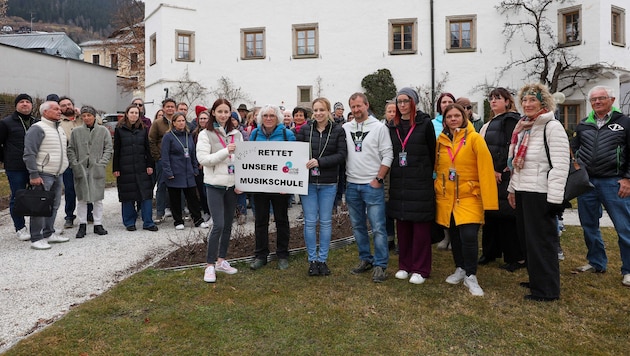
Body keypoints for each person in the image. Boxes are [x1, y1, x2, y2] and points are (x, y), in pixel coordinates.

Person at [507, 83, 569, 302]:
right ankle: (537, 280)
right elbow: (516, 164)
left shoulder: (552, 126)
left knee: (541, 242)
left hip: (541, 193)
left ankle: (547, 289)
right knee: (527, 241)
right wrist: (512, 189)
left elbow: (561, 165)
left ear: (543, 102)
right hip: (524, 190)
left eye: (532, 100)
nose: (527, 104)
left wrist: (554, 199)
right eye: (524, 100)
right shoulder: (524, 127)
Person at [435, 103, 497, 296]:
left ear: (464, 117)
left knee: (469, 236)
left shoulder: (475, 139)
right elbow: (438, 169)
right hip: (448, 198)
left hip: (470, 195)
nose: (453, 119)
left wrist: (490, 202)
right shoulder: (441, 141)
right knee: (454, 235)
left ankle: (471, 275)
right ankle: (460, 267)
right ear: (444, 120)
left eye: (456, 116)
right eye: (449, 116)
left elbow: (486, 170)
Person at [571, 85, 630, 287]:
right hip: (587, 183)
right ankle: (596, 262)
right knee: (589, 225)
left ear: (611, 100)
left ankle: (628, 269)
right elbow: (574, 148)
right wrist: (577, 166)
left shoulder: (624, 123)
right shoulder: (583, 125)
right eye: (594, 99)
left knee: (624, 227)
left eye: (601, 98)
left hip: (614, 182)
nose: (597, 102)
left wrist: (627, 179)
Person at [387, 88, 436, 285]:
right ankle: (404, 265)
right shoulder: (393, 126)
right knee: (403, 225)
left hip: (420, 181)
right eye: (399, 102)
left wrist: (426, 173)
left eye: (406, 101)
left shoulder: (425, 124)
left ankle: (420, 268)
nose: (402, 105)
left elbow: (433, 152)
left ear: (414, 102)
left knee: (421, 228)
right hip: (400, 182)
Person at [344, 92, 393, 283]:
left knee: (378, 227)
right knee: (357, 226)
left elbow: (388, 154)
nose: (356, 110)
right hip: (352, 184)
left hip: (371, 184)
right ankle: (365, 258)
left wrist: (378, 178)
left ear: (366, 105)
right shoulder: (346, 127)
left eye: (359, 106)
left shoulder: (379, 128)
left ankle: (381, 265)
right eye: (353, 107)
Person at [295, 97, 347, 276]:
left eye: (321, 110)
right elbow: (296, 153)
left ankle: (322, 260)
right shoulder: (305, 130)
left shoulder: (338, 130)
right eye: (315, 110)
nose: (318, 113)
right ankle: (312, 260)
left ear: (328, 111)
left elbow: (341, 155)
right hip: (308, 183)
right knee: (310, 222)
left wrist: (320, 162)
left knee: (325, 222)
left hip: (328, 183)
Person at [196, 99, 244, 283]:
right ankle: (209, 265)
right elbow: (203, 159)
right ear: (213, 113)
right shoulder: (205, 134)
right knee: (218, 224)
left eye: (226, 111)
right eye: (220, 111)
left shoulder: (236, 134)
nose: (224, 115)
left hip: (231, 186)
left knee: (228, 225)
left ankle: (221, 260)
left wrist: (241, 183)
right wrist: (225, 151)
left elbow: (242, 160)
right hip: (214, 184)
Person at [478, 88, 524, 271]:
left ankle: (516, 258)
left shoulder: (510, 119)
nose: (493, 101)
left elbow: (509, 146)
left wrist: (499, 169)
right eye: (491, 98)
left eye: (498, 98)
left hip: (502, 175)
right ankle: (490, 252)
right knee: (490, 215)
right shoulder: (491, 122)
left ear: (507, 101)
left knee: (507, 217)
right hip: (489, 174)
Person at [249, 104, 296, 271]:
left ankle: (282, 254)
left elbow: (293, 159)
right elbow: (249, 158)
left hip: (280, 186)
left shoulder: (286, 134)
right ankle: (261, 255)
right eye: (266, 115)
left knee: (281, 220)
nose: (268, 118)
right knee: (261, 221)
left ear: (278, 118)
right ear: (261, 118)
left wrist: (288, 183)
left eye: (272, 116)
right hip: (260, 186)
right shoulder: (254, 134)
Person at [23, 101, 71, 250]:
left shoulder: (59, 129)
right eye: (55, 109)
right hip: (43, 174)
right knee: (39, 206)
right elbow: (29, 153)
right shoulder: (37, 129)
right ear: (45, 112)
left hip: (58, 174)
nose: (59, 111)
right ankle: (36, 238)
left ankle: (48, 233)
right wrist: (34, 174)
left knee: (54, 205)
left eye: (59, 109)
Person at [67, 106, 113, 238]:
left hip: (96, 168)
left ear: (94, 116)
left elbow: (108, 148)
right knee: (81, 198)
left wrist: (102, 163)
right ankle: (82, 224)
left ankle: (98, 223)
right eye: (84, 115)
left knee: (97, 198)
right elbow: (71, 149)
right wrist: (75, 164)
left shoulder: (103, 131)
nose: (86, 118)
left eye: (89, 115)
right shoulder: (76, 132)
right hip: (81, 168)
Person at [112, 105, 158, 232]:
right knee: (128, 195)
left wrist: (149, 164)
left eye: (136, 113)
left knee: (146, 195)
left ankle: (148, 222)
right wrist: (116, 168)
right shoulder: (119, 129)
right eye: (131, 112)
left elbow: (147, 149)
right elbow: (116, 150)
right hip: (125, 167)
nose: (134, 115)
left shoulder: (143, 129)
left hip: (142, 166)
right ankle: (129, 222)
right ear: (127, 114)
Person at [160, 112, 209, 230]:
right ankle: (178, 221)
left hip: (189, 172)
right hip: (175, 172)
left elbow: (192, 153)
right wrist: (168, 172)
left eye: (183, 120)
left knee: (193, 198)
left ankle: (198, 219)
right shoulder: (168, 137)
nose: (181, 123)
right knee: (175, 198)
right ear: (174, 123)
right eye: (179, 121)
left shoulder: (188, 135)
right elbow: (165, 156)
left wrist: (195, 168)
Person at [0, 93, 38, 241]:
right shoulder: (6, 123)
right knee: (18, 196)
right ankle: (20, 227)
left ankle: (38, 225)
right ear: (16, 105)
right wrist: (6, 159)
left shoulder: (37, 122)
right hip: (15, 167)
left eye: (27, 102)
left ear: (31, 105)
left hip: (35, 165)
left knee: (37, 196)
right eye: (21, 102)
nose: (24, 104)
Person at [432, 92, 456, 250]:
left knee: (454, 205)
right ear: (439, 105)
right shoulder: (433, 123)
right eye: (443, 102)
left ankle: (454, 238)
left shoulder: (458, 121)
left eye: (449, 101)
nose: (446, 104)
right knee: (442, 205)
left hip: (456, 169)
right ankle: (445, 236)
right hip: (438, 169)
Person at [149, 98, 177, 222]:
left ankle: (179, 212)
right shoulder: (157, 123)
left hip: (177, 160)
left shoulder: (179, 121)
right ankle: (160, 213)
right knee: (162, 185)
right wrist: (158, 157)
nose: (170, 109)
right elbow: (151, 140)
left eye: (172, 106)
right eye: (168, 106)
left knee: (179, 186)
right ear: (164, 108)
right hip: (162, 160)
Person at [58, 96, 84, 228]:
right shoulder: (59, 122)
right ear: (60, 108)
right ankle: (69, 216)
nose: (67, 107)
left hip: (85, 159)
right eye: (63, 105)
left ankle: (89, 213)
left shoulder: (82, 118)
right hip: (68, 160)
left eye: (69, 104)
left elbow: (98, 122)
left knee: (86, 186)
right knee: (70, 189)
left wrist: (82, 113)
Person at [192, 106, 211, 222]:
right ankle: (206, 211)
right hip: (198, 167)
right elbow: (192, 150)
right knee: (201, 192)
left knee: (209, 191)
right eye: (201, 119)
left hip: (209, 165)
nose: (203, 121)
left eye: (205, 118)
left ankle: (212, 212)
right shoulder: (194, 133)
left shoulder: (212, 133)